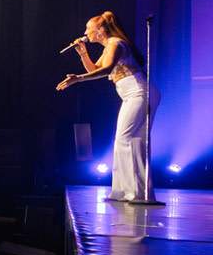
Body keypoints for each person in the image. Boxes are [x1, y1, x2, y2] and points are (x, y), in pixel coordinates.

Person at [57, 11, 161, 202]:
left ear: (101, 30)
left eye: (89, 28)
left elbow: (106, 70)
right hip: (132, 94)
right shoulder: (109, 46)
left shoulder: (115, 43)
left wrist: (78, 79)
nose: (85, 32)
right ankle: (124, 191)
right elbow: (96, 71)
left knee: (130, 139)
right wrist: (83, 54)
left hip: (139, 92)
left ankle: (138, 193)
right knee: (125, 139)